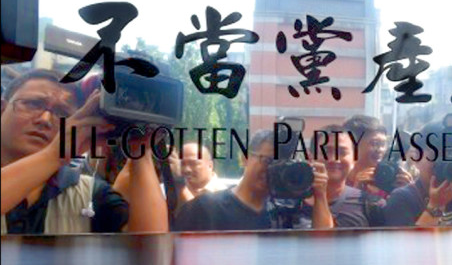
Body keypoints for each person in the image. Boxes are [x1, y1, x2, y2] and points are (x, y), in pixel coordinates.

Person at [1, 69, 167, 234]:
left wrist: (140, 151)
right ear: (2, 109)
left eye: (61, 113)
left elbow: (150, 241)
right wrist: (54, 155)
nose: (45, 119)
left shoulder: (89, 193)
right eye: (33, 104)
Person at [174, 129, 332, 231]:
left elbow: (323, 244)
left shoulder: (285, 211)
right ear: (245, 158)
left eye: (281, 164)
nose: (272, 169)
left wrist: (320, 195)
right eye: (268, 160)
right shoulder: (205, 208)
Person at [305, 124, 384, 228]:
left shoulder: (371, 205)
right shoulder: (290, 203)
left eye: (342, 152)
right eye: (326, 151)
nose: (334, 159)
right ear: (310, 157)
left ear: (354, 158)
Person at [343, 115, 413, 197]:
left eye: (383, 144)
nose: (380, 150)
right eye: (375, 143)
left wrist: (408, 192)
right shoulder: (336, 181)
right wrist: (356, 191)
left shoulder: (391, 178)